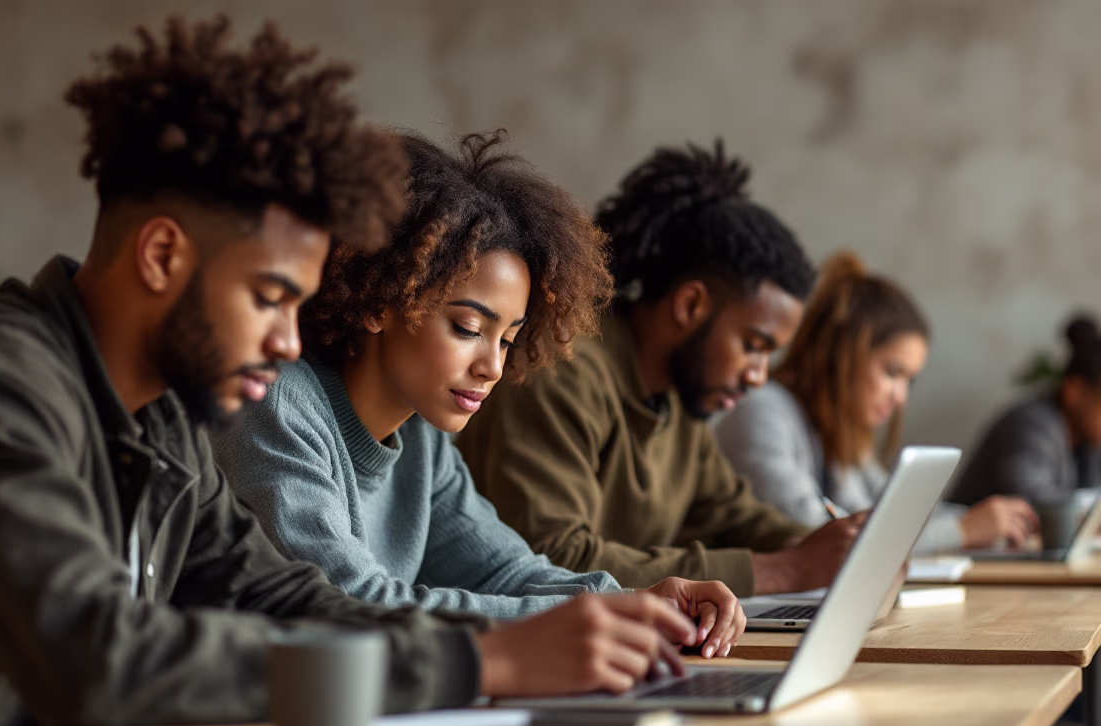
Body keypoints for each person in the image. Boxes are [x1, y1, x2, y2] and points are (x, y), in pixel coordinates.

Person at [0, 19, 714, 726]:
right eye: (273, 298)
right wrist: (487, 659)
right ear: (163, 255)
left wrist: (580, 628)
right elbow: (101, 657)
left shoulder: (165, 412)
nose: (291, 341)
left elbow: (279, 596)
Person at [213, 129, 746, 636]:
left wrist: (635, 602)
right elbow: (350, 602)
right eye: (468, 328)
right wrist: (596, 618)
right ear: (379, 302)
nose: (492, 366)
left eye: (508, 339)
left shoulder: (424, 441)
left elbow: (505, 571)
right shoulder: (274, 404)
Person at [456, 141, 863, 597]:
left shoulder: (680, 398)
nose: (758, 376)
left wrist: (832, 547)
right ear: (690, 305)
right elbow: (551, 558)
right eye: (753, 346)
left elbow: (732, 516)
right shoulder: (561, 369)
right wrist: (785, 571)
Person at [715, 252, 1037, 552]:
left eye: (909, 380)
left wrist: (993, 522)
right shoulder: (761, 411)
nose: (900, 398)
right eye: (892, 372)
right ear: (843, 356)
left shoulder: (839, 440)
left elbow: (897, 513)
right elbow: (820, 537)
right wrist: (962, 530)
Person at [952, 314, 1101, 508]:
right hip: (962, 538)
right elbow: (1035, 501)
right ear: (1075, 391)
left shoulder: (1088, 443)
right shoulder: (1030, 425)